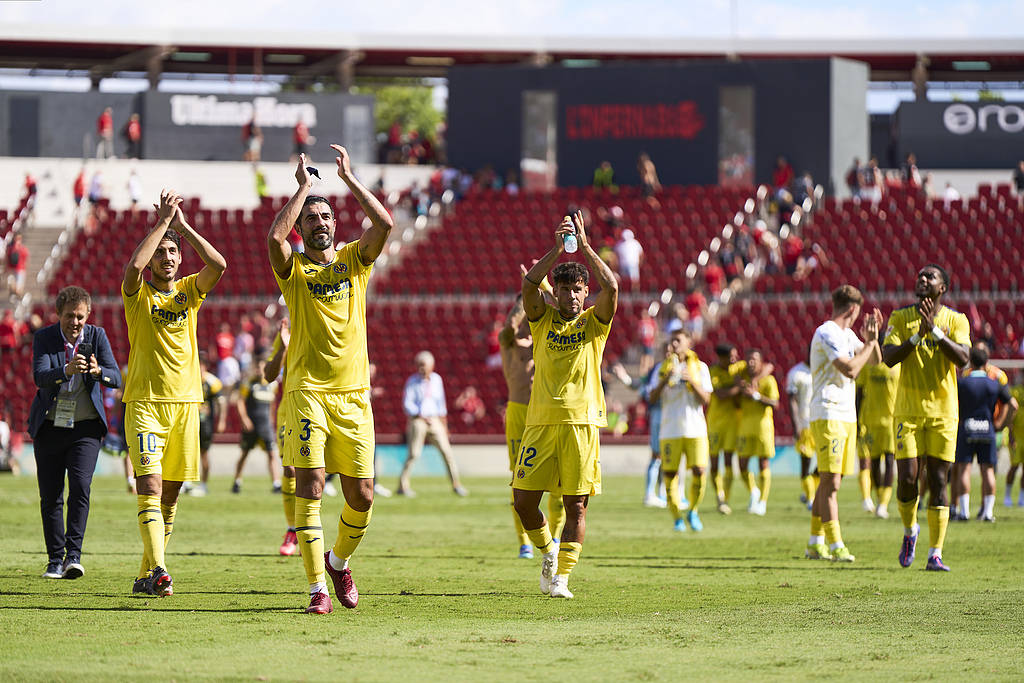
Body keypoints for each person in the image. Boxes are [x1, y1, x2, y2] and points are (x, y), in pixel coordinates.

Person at [268, 145, 393, 614]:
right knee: (313, 485)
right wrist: (303, 189)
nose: (320, 223)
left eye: (326, 218)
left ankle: (338, 562)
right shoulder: (294, 270)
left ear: (335, 225)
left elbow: (384, 226)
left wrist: (348, 179)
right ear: (302, 228)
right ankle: (318, 587)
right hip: (307, 394)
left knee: (361, 495)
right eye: (311, 219)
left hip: (355, 395)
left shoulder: (354, 262)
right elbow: (273, 240)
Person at [122, 189, 227, 597]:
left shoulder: (189, 291)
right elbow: (133, 266)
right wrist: (162, 224)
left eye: (173, 252)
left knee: (170, 493)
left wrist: (181, 225)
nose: (167, 257)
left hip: (185, 403)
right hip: (146, 403)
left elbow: (218, 264)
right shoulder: (139, 295)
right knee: (148, 485)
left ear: (180, 259)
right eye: (161, 252)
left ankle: (148, 574)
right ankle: (162, 570)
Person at [513, 209, 618, 599]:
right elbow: (528, 286)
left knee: (576, 508)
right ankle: (548, 551)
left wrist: (586, 248)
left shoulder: (594, 323)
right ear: (555, 293)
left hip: (582, 423)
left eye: (577, 290)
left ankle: (562, 579)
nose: (572, 296)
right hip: (540, 422)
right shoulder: (542, 320)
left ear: (584, 294)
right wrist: (556, 251)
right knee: (523, 503)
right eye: (565, 289)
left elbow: (613, 289)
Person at [882, 264, 970, 572]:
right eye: (920, 275)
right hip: (908, 410)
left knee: (937, 480)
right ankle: (910, 532)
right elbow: (888, 358)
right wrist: (917, 337)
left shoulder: (956, 320)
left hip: (944, 413)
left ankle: (935, 553)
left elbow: (963, 358)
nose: (922, 279)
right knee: (907, 479)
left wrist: (933, 331)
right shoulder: (900, 317)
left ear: (943, 287)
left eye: (930, 276)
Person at [29, 286, 121, 580]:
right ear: (59, 314)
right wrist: (66, 371)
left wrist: (97, 372)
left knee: (81, 487)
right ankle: (55, 560)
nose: (75, 322)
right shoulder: (44, 338)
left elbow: (116, 377)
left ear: (88, 315)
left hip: (85, 428)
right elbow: (39, 377)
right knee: (51, 496)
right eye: (69, 316)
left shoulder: (97, 336)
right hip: (50, 426)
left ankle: (73, 556)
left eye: (80, 316)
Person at [804, 286, 881, 562]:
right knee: (832, 482)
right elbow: (849, 368)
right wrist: (870, 344)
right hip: (828, 412)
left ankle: (815, 542)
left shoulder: (848, 335)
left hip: (846, 415)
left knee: (828, 480)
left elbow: (875, 361)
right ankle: (836, 545)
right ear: (852, 310)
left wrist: (873, 340)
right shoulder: (827, 332)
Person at [499, 283, 565, 559]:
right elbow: (507, 330)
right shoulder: (510, 342)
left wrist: (545, 291)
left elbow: (564, 320)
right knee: (519, 479)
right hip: (518, 412)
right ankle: (524, 541)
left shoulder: (546, 337)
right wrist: (521, 300)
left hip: (546, 412)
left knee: (559, 481)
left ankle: (557, 536)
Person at [648, 330, 712, 532]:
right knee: (670, 474)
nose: (674, 344)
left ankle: (693, 510)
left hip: (695, 429)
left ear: (688, 343)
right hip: (670, 430)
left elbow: (707, 399)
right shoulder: (662, 368)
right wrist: (665, 380)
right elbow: (651, 398)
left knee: (699, 471)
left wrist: (691, 381)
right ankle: (676, 516)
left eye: (678, 340)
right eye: (672, 341)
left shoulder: (700, 367)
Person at [953, 345, 1017, 522]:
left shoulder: (962, 382)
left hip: (966, 428)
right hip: (987, 429)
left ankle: (963, 512)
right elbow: (1013, 405)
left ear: (970, 362)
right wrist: (1001, 424)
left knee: (964, 469)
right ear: (986, 362)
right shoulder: (994, 383)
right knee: (988, 470)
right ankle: (988, 513)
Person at [397, 351, 467, 496]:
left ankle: (456, 484)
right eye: (419, 365)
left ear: (431, 366)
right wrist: (419, 415)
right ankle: (403, 486)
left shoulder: (437, 380)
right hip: (418, 420)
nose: (422, 368)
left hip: (435, 420)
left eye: (424, 365)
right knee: (414, 454)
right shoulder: (412, 381)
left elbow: (441, 404)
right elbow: (407, 403)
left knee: (447, 452)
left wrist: (444, 425)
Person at [856, 357, 900, 519]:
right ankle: (877, 497)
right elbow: (859, 392)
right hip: (869, 421)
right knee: (873, 463)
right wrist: (856, 418)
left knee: (889, 461)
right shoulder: (867, 365)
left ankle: (883, 504)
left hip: (891, 421)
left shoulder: (898, 364)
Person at [737, 350, 778, 515]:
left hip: (763, 427)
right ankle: (754, 491)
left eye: (754, 359)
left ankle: (763, 502)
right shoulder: (742, 380)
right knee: (742, 465)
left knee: (763, 463)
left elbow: (775, 403)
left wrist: (756, 396)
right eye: (748, 360)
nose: (750, 362)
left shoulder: (768, 380)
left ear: (761, 362)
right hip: (745, 426)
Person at [231, 357, 280, 494]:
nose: (260, 371)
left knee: (271, 454)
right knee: (245, 453)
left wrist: (271, 420)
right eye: (258, 368)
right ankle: (237, 481)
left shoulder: (272, 385)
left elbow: (272, 405)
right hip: (251, 425)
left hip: (265, 426)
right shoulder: (249, 384)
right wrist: (245, 419)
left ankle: (276, 483)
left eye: (262, 368)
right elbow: (240, 401)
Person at [708, 343, 745, 514]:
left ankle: (725, 499)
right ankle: (719, 495)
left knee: (729, 461)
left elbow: (766, 366)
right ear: (721, 358)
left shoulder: (738, 367)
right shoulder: (713, 372)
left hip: (732, 422)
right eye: (731, 356)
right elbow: (720, 395)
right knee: (714, 464)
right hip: (715, 422)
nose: (735, 359)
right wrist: (739, 387)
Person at [785, 358, 816, 510]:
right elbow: (792, 400)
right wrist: (796, 424)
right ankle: (810, 498)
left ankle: (810, 490)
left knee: (827, 467)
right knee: (806, 463)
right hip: (805, 426)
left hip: (824, 422)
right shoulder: (796, 373)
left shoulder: (824, 367)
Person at [1007, 376, 1024, 507]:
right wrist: (1011, 434)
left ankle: (1022, 497)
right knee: (1014, 466)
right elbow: (1010, 414)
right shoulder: (1016, 391)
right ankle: (1007, 495)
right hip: (1017, 436)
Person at [6, 233, 29, 300]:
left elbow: (26, 259)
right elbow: (7, 258)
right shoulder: (11, 248)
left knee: (18, 288)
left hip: (20, 269)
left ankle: (18, 297)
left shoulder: (23, 248)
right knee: (11, 284)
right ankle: (14, 295)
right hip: (12, 269)